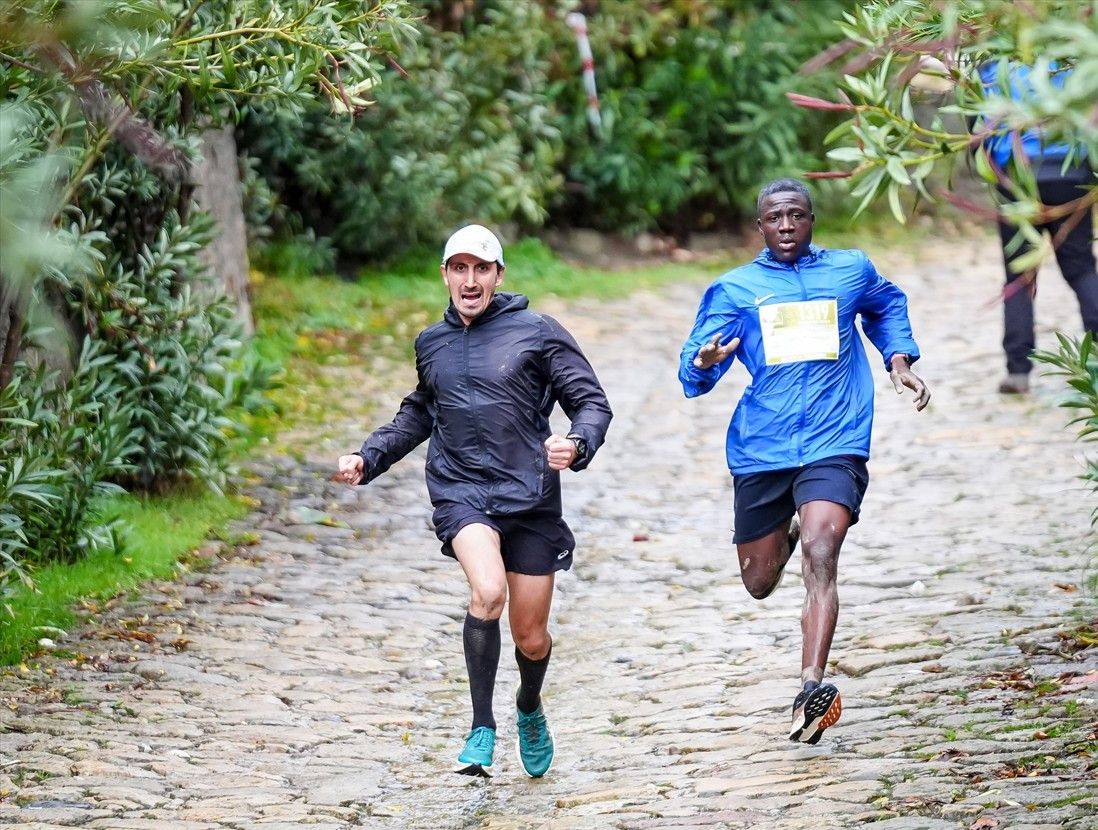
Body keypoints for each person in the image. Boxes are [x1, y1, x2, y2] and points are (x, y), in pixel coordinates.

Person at [335, 224, 612, 778]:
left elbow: (590, 401)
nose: (469, 280)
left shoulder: (537, 332)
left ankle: (528, 706)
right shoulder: (431, 342)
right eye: (458, 268)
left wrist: (577, 443)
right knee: (487, 593)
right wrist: (371, 456)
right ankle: (481, 728)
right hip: (462, 493)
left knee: (531, 636)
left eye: (480, 269)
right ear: (444, 274)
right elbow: (419, 412)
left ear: (498, 275)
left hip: (530, 500)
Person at [678, 178, 930, 745]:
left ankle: (810, 685)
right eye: (774, 218)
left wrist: (897, 358)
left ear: (812, 219)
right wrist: (704, 359)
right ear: (760, 227)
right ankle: (786, 527)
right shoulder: (736, 289)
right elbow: (693, 373)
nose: (786, 226)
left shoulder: (849, 270)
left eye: (796, 215)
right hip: (763, 446)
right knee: (760, 581)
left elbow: (887, 303)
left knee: (823, 549)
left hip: (835, 438)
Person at [980, 60, 1098, 394]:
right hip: (1071, 171)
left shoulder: (992, 67)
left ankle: (1017, 372)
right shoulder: (1069, 58)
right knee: (1082, 268)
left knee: (1019, 276)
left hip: (1016, 177)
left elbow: (978, 128)